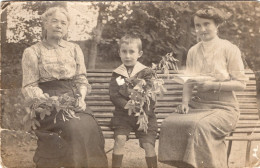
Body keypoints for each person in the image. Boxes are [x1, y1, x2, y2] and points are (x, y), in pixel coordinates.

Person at [158, 7, 248, 168]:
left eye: (206, 24)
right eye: (198, 25)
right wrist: (185, 103)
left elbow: (241, 84)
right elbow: (189, 81)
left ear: (217, 25)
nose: (202, 29)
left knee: (199, 127)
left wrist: (213, 85)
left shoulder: (229, 49)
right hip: (198, 105)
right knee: (170, 123)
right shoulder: (193, 51)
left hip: (225, 108)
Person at [21, 7, 108, 168]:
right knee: (74, 127)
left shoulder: (74, 49)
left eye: (63, 23)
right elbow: (29, 86)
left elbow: (81, 79)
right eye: (54, 21)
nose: (59, 25)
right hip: (47, 103)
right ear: (45, 24)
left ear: (67, 27)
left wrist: (81, 98)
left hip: (73, 98)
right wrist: (45, 101)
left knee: (88, 125)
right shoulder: (32, 52)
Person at [109, 34, 158, 168]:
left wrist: (144, 112)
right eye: (124, 51)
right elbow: (114, 94)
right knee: (120, 139)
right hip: (123, 115)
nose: (128, 56)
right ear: (119, 53)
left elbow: (151, 95)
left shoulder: (146, 73)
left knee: (148, 144)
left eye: (132, 52)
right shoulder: (118, 73)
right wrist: (126, 105)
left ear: (139, 53)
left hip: (145, 115)